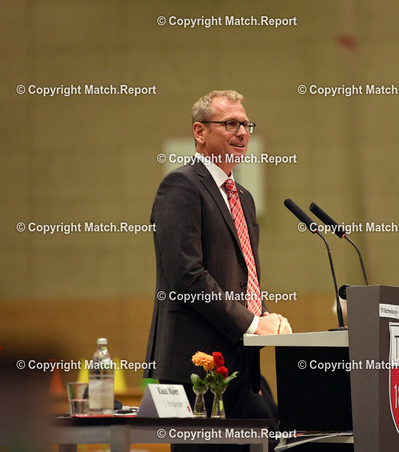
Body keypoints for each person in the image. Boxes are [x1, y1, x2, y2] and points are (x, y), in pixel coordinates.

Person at [143, 90, 292, 451]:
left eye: (246, 125)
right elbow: (188, 276)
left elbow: (243, 276)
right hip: (195, 369)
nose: (242, 133)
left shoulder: (243, 196)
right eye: (230, 124)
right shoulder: (180, 186)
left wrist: (265, 317)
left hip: (241, 366)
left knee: (273, 435)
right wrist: (252, 323)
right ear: (200, 132)